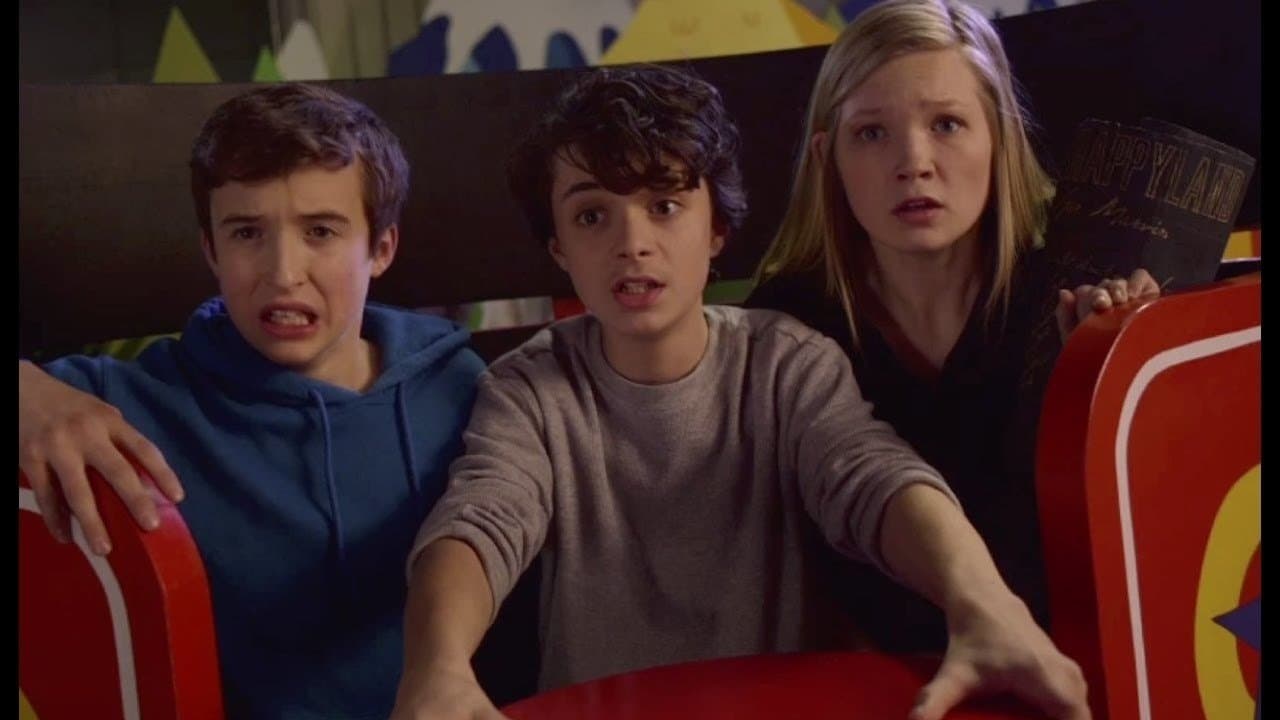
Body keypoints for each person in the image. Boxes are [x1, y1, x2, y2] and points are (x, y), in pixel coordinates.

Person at [389, 64, 1088, 720]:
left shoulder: (786, 364)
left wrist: (984, 603)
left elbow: (871, 477)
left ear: (716, 229)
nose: (633, 243)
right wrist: (437, 667)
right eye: (593, 216)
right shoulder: (529, 389)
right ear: (559, 250)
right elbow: (483, 517)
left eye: (665, 205)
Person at [17, 83, 486, 719]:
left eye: (320, 231)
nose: (283, 273)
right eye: (246, 233)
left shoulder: (461, 385)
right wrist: (26, 389)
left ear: (380, 249)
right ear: (211, 249)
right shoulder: (132, 402)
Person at [745, 0, 1160, 655]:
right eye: (872, 133)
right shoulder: (783, 325)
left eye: (946, 124)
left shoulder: (1069, 301)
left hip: (1064, 666)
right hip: (861, 680)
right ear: (828, 157)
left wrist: (1122, 366)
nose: (914, 162)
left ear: (999, 138)